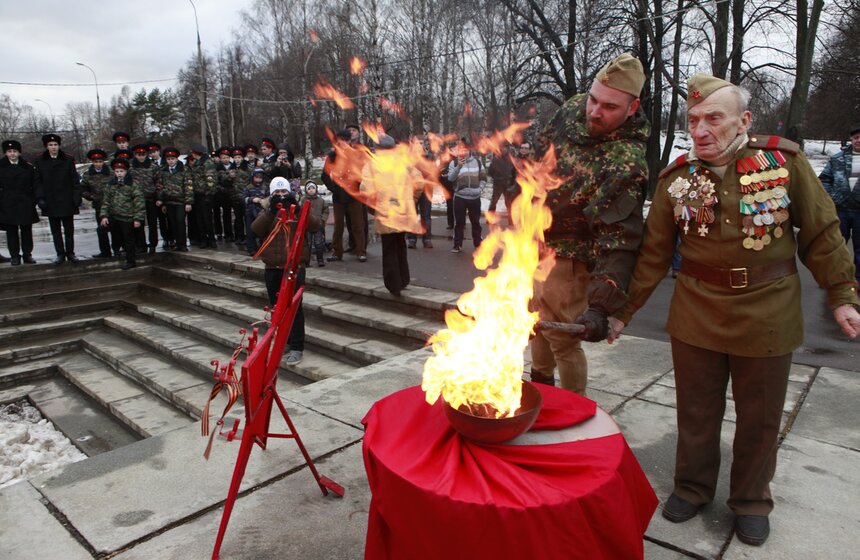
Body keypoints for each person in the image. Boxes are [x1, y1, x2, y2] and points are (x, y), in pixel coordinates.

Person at [610, 74, 860, 547]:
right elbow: (653, 255)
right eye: (693, 120)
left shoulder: (783, 165)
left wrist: (842, 295)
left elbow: (822, 234)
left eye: (713, 118)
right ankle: (692, 488)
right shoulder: (677, 179)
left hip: (768, 313)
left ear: (743, 121)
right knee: (696, 411)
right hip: (697, 312)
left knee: (760, 418)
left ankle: (751, 501)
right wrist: (625, 310)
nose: (700, 129)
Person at [530, 52, 649, 394]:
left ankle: (574, 408)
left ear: (632, 107)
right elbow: (542, 148)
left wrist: (601, 305)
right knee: (536, 325)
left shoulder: (626, 161)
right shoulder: (573, 107)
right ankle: (540, 390)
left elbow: (620, 238)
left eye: (609, 106)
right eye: (594, 99)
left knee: (562, 338)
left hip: (571, 258)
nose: (594, 111)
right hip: (538, 242)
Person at [252, 177, 317, 366]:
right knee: (276, 308)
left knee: (294, 308)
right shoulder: (267, 210)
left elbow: (315, 226)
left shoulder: (298, 209)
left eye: (284, 192)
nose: (281, 195)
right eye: (277, 193)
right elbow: (256, 229)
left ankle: (297, 346)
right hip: (273, 267)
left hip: (295, 267)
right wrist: (271, 211)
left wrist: (298, 209)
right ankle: (284, 341)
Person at [360, 134, 422, 295]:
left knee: (388, 248)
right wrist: (412, 200)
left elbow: (365, 189)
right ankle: (404, 278)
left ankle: (393, 284)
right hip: (403, 210)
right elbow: (419, 182)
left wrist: (373, 207)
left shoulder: (372, 165)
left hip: (385, 210)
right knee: (400, 243)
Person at [819, 125, 860, 285]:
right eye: (856, 137)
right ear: (851, 139)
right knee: (836, 245)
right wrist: (833, 196)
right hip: (840, 210)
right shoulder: (838, 159)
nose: (859, 140)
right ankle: (835, 277)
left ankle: (858, 279)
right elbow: (824, 179)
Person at [34, 133, 82, 264]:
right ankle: (60, 253)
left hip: (67, 200)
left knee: (69, 229)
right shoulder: (39, 160)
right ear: (46, 146)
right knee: (55, 230)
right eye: (50, 145)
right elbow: (37, 181)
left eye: (55, 144)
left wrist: (76, 197)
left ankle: (70, 253)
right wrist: (40, 198)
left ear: (59, 145)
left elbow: (75, 180)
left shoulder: (68, 159)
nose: (53, 147)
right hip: (51, 200)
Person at [323, 128, 368, 262]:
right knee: (338, 226)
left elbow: (363, 173)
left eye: (345, 140)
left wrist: (358, 184)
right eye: (340, 140)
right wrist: (333, 188)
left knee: (358, 225)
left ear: (349, 141)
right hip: (338, 196)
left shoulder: (356, 155)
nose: (342, 143)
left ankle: (361, 251)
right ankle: (337, 252)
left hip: (354, 195)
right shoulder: (332, 156)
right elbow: (324, 175)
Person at [100, 157, 144, 270]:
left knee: (128, 239)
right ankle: (107, 252)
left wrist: (137, 218)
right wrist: (104, 216)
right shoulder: (111, 184)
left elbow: (139, 201)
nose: (119, 174)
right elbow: (106, 201)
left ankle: (131, 261)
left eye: (121, 171)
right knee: (102, 230)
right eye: (117, 171)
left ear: (126, 171)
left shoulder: (132, 184)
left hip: (127, 217)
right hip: (114, 216)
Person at [0, 139, 38, 265]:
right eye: (9, 151)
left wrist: (33, 200)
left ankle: (27, 255)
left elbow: (35, 185)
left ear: (19, 153)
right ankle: (15, 256)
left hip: (25, 202)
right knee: (11, 231)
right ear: (6, 153)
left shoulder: (28, 167)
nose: (12, 154)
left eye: (14, 151)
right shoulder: (1, 166)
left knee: (26, 230)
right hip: (7, 203)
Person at [447, 139, 485, 253]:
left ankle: (478, 243)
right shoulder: (454, 163)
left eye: (466, 149)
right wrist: (458, 167)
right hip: (460, 197)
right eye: (461, 150)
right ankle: (457, 244)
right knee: (459, 222)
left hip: (475, 197)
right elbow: (450, 178)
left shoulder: (477, 162)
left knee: (476, 222)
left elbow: (483, 177)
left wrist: (479, 189)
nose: (464, 152)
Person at [80, 148, 115, 258]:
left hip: (114, 205)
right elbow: (82, 188)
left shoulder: (111, 172)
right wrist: (90, 196)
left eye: (100, 161)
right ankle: (105, 251)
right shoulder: (87, 175)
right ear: (92, 162)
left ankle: (117, 249)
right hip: (98, 205)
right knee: (101, 229)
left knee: (115, 228)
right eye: (96, 162)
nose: (98, 164)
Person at [156, 147, 192, 252]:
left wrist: (188, 202)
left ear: (177, 159)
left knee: (180, 222)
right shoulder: (163, 170)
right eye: (168, 159)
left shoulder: (184, 169)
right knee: (172, 223)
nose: (170, 161)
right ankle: (177, 243)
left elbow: (188, 186)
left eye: (172, 159)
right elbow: (160, 186)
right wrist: (161, 201)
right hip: (169, 201)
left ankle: (183, 244)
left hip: (181, 201)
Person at [189, 143, 218, 249]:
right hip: (198, 194)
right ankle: (203, 239)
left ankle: (211, 239)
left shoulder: (207, 163)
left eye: (193, 152)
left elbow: (211, 180)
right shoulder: (197, 162)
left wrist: (209, 194)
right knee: (200, 219)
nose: (192, 154)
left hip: (205, 194)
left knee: (207, 219)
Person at [300, 180, 329, 266]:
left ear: (316, 189)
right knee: (307, 244)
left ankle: (320, 260)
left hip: (318, 225)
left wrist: (323, 220)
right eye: (309, 188)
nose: (311, 190)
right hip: (307, 226)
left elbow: (326, 211)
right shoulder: (303, 200)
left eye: (313, 188)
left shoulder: (321, 201)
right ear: (306, 190)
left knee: (318, 243)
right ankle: (307, 261)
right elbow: (299, 211)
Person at [243, 167, 267, 255]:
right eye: (256, 177)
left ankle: (262, 248)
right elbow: (243, 199)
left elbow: (268, 198)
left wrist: (264, 201)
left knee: (261, 231)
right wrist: (252, 199)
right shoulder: (248, 188)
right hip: (250, 212)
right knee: (250, 231)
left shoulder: (265, 187)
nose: (258, 179)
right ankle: (251, 249)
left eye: (260, 177)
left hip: (261, 213)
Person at [488, 143, 515, 216]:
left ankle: (511, 219)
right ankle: (490, 218)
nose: (503, 149)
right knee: (494, 202)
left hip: (508, 184)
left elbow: (513, 171)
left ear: (507, 148)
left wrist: (510, 180)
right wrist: (496, 178)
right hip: (498, 184)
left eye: (505, 147)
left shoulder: (511, 158)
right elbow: (490, 171)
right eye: (502, 147)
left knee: (509, 203)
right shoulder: (496, 158)